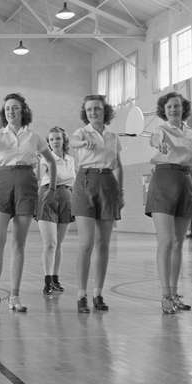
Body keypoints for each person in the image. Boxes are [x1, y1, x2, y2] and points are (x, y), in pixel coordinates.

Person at [0, 93, 56, 315]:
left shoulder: (34, 137)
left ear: (23, 110)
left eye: (14, 108)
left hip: (26, 185)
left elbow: (51, 160)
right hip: (2, 184)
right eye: (7, 109)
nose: (10, 111)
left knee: (18, 243)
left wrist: (51, 188)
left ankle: (14, 296)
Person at [146, 92, 192, 314]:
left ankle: (175, 294)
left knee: (179, 242)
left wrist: (191, 189)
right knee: (166, 242)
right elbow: (155, 141)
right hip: (163, 180)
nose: (173, 110)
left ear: (182, 108)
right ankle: (165, 296)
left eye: (176, 106)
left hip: (185, 181)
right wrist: (161, 145)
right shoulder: (160, 130)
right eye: (169, 107)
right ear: (164, 110)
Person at [70, 94, 123, 314]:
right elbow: (71, 143)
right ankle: (81, 295)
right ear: (86, 112)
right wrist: (84, 142)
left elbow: (118, 165)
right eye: (90, 109)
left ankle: (98, 293)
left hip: (108, 183)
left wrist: (120, 192)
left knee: (103, 244)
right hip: (85, 182)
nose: (93, 112)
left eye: (97, 109)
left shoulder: (112, 136)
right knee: (86, 243)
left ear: (104, 111)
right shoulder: (80, 133)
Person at [36, 127, 76, 296]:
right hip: (48, 197)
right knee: (50, 243)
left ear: (63, 140)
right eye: (51, 139)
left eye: (58, 138)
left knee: (58, 244)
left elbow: (71, 179)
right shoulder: (45, 158)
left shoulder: (70, 160)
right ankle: (47, 282)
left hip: (67, 199)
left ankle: (55, 279)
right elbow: (40, 177)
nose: (54, 142)